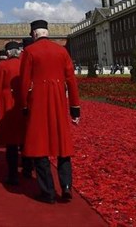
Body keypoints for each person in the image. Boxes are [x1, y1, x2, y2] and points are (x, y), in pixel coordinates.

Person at [19, 20, 81, 204]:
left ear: (34, 34)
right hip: (58, 101)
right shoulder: (62, 51)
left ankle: (48, 192)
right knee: (63, 147)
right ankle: (66, 186)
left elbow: (24, 83)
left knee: (39, 148)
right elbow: (71, 81)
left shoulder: (30, 51)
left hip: (38, 102)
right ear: (46, 32)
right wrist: (75, 109)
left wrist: (24, 105)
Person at [0, 40, 27, 185]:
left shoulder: (4, 65)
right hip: (23, 102)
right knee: (25, 137)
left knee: (11, 143)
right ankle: (27, 168)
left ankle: (13, 174)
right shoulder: (24, 64)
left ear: (7, 53)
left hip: (7, 104)